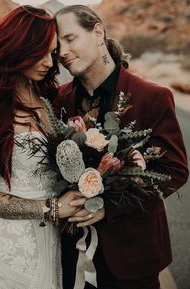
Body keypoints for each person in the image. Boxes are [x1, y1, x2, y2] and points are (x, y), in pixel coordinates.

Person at [55, 5, 189, 289]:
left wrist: (110, 207)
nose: (62, 52)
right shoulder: (59, 100)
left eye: (70, 39)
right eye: (57, 46)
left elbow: (174, 170)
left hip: (133, 253)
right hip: (70, 254)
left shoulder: (152, 97)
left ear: (98, 32)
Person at [0, 5, 83, 289]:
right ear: (18, 47)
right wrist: (50, 209)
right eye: (41, 52)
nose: (50, 63)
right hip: (11, 239)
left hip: (55, 235)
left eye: (52, 53)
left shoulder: (50, 97)